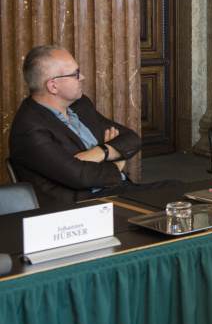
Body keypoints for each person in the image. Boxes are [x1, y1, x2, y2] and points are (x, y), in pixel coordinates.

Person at [8, 46, 143, 206]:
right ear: (53, 86)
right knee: (173, 194)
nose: (82, 77)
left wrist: (101, 151)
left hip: (116, 191)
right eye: (75, 74)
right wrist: (117, 164)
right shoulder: (28, 129)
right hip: (85, 206)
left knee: (174, 192)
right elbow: (80, 176)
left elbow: (131, 138)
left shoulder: (80, 105)